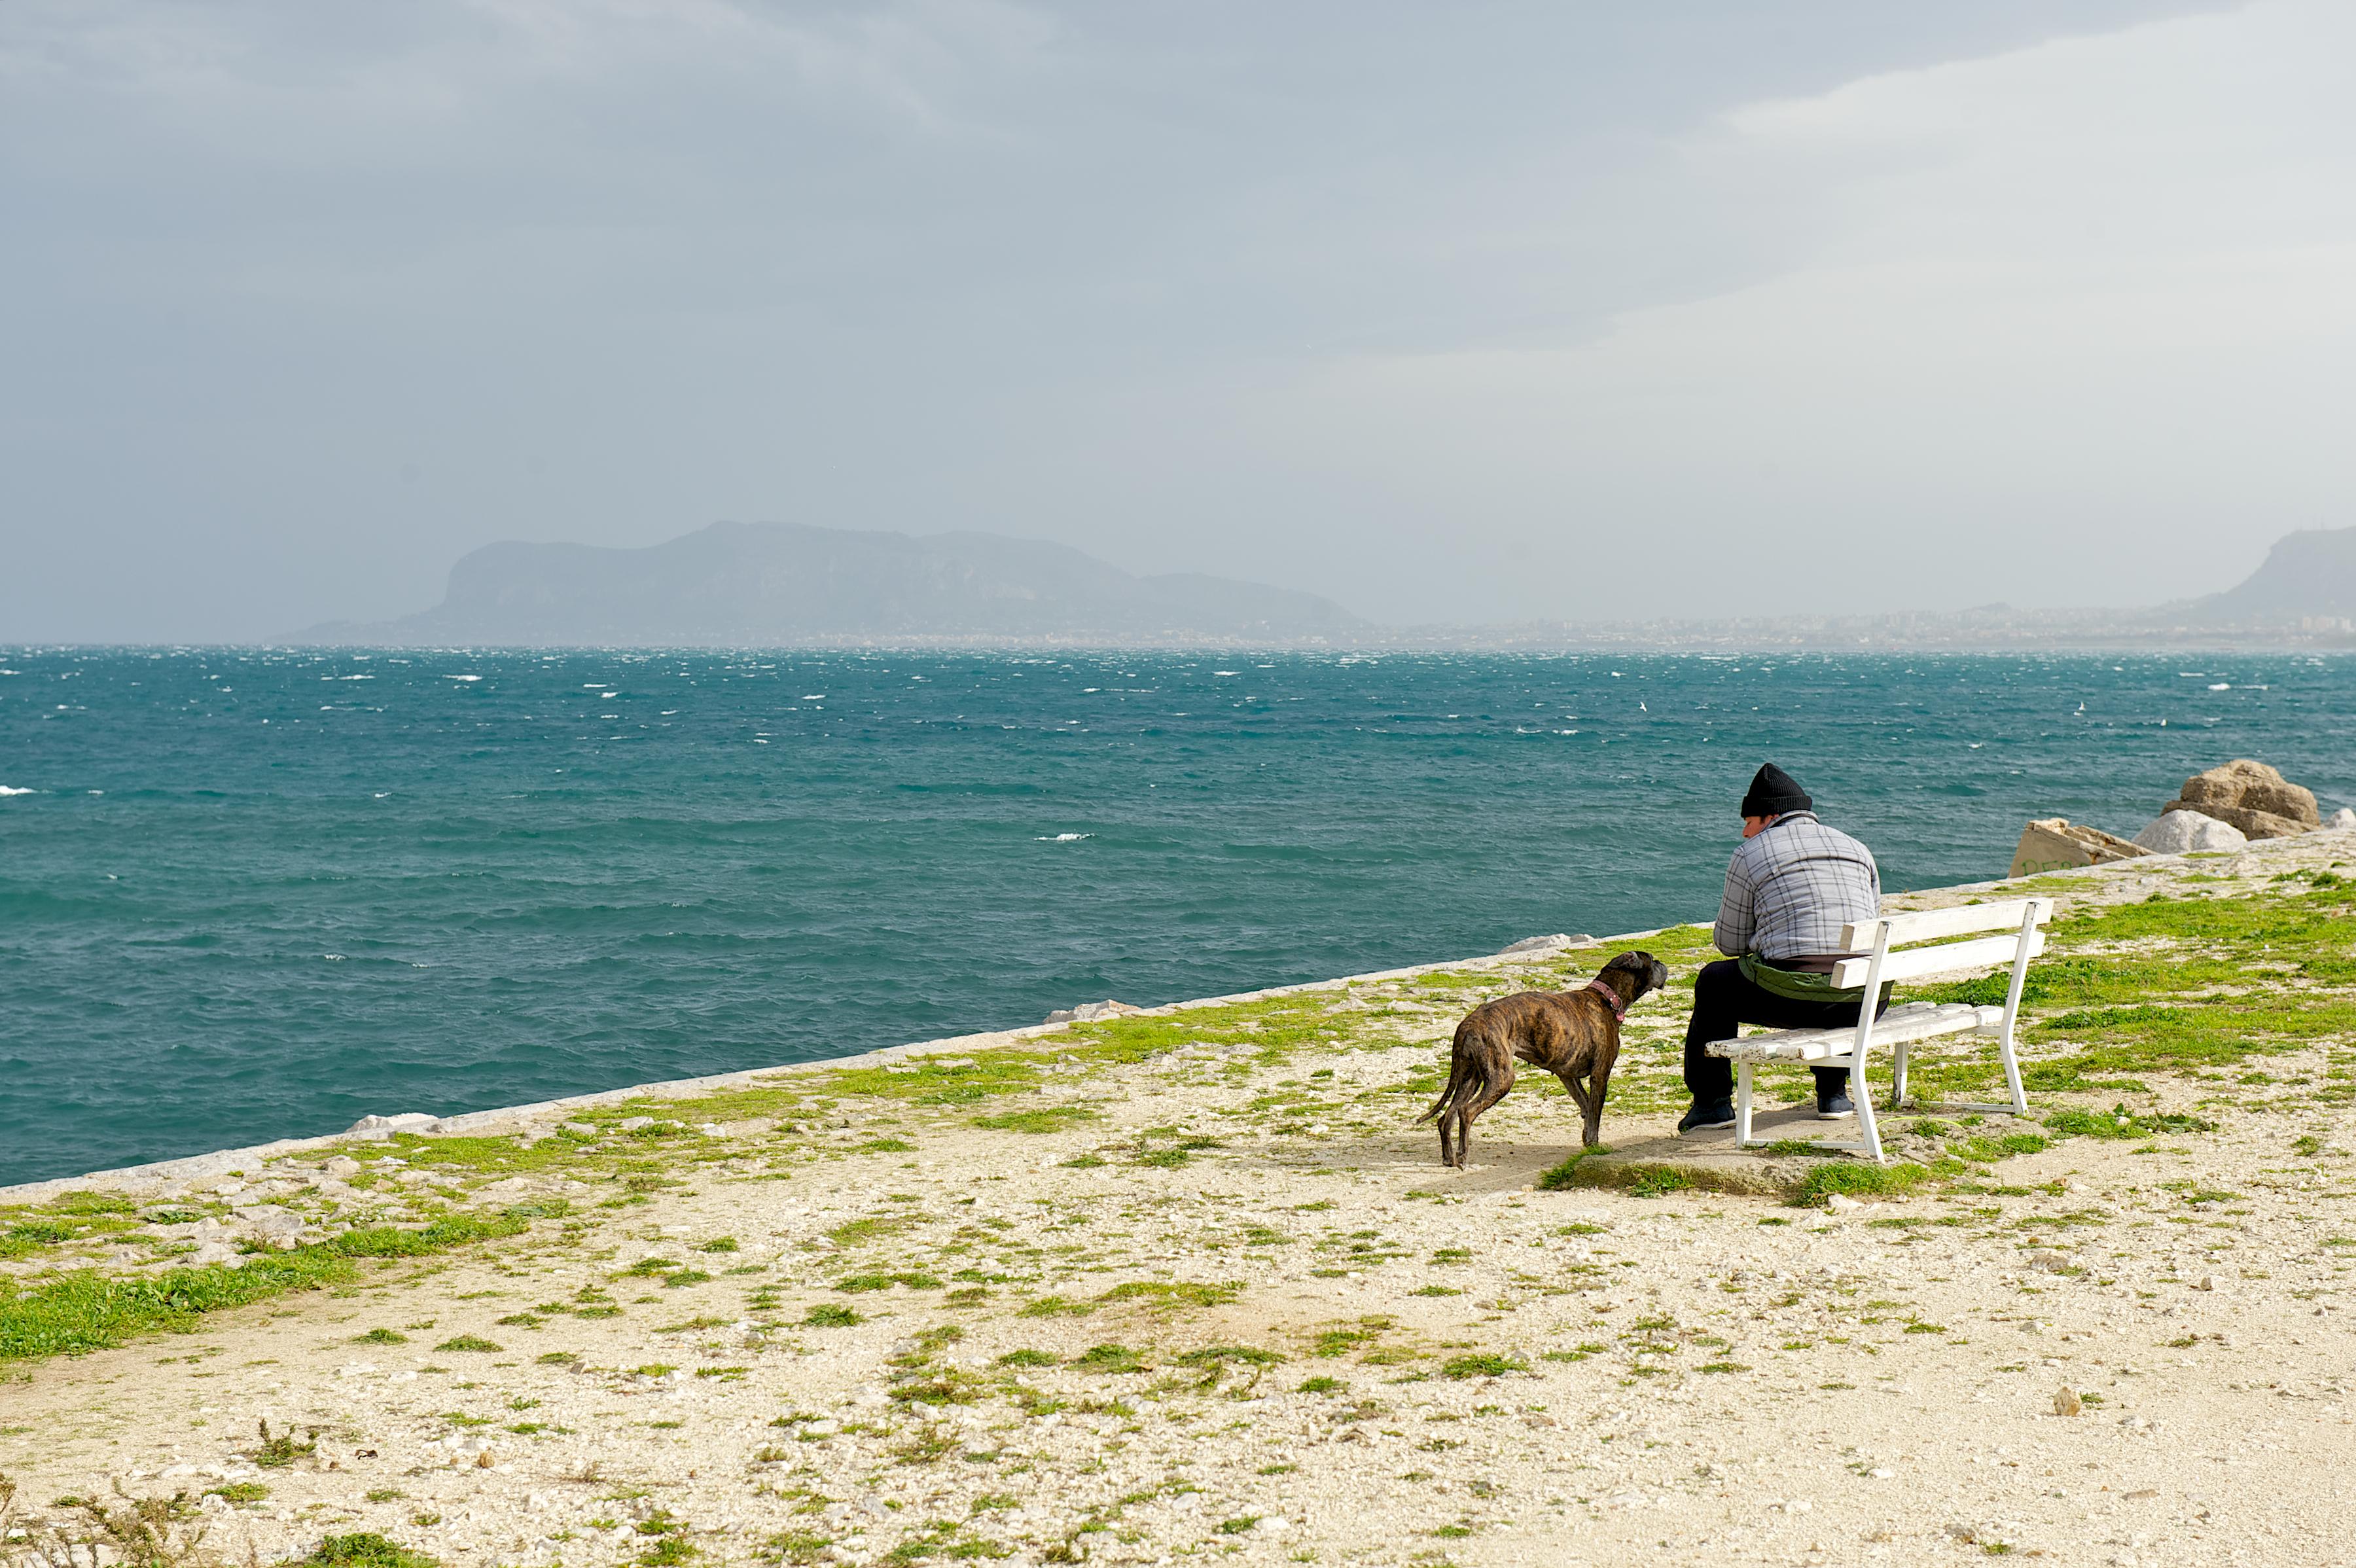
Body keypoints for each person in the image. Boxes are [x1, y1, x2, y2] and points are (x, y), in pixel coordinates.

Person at [1679, 762, 1886, 1133]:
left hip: (1796, 999)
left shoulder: (1750, 854)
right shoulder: (1858, 849)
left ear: (1772, 816)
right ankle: (1834, 1094)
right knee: (1833, 969)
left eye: (1750, 821)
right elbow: (1867, 930)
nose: (1745, 832)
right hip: (1865, 998)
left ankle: (1712, 1104)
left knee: (1714, 981)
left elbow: (1729, 944)